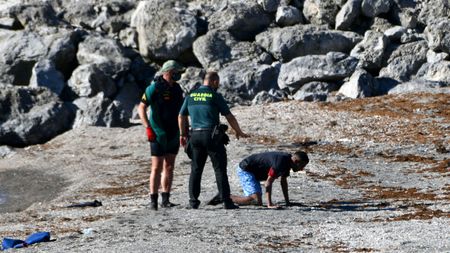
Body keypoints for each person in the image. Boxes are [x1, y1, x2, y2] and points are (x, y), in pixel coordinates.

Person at [178, 71, 249, 209]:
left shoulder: (190, 96)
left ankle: (193, 201)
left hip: (195, 136)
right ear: (215, 82)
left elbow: (181, 116)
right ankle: (227, 202)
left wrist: (182, 134)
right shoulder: (215, 96)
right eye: (218, 82)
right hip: (211, 136)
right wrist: (238, 131)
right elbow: (229, 116)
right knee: (219, 169)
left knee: (196, 169)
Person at [137, 60, 185, 210]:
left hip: (173, 133)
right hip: (157, 134)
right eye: (177, 72)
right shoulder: (153, 88)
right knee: (156, 167)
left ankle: (166, 199)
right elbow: (141, 108)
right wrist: (148, 128)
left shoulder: (178, 89)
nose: (179, 75)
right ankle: (153, 200)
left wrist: (184, 132)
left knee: (169, 166)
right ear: (169, 72)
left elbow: (182, 113)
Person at [228, 151, 309, 208]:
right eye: (302, 165)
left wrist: (288, 202)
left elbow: (283, 182)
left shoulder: (288, 162)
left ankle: (225, 196)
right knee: (256, 200)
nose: (302, 169)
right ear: (296, 161)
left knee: (256, 200)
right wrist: (269, 204)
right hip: (246, 169)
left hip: (255, 173)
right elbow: (268, 182)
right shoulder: (280, 162)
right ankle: (225, 197)